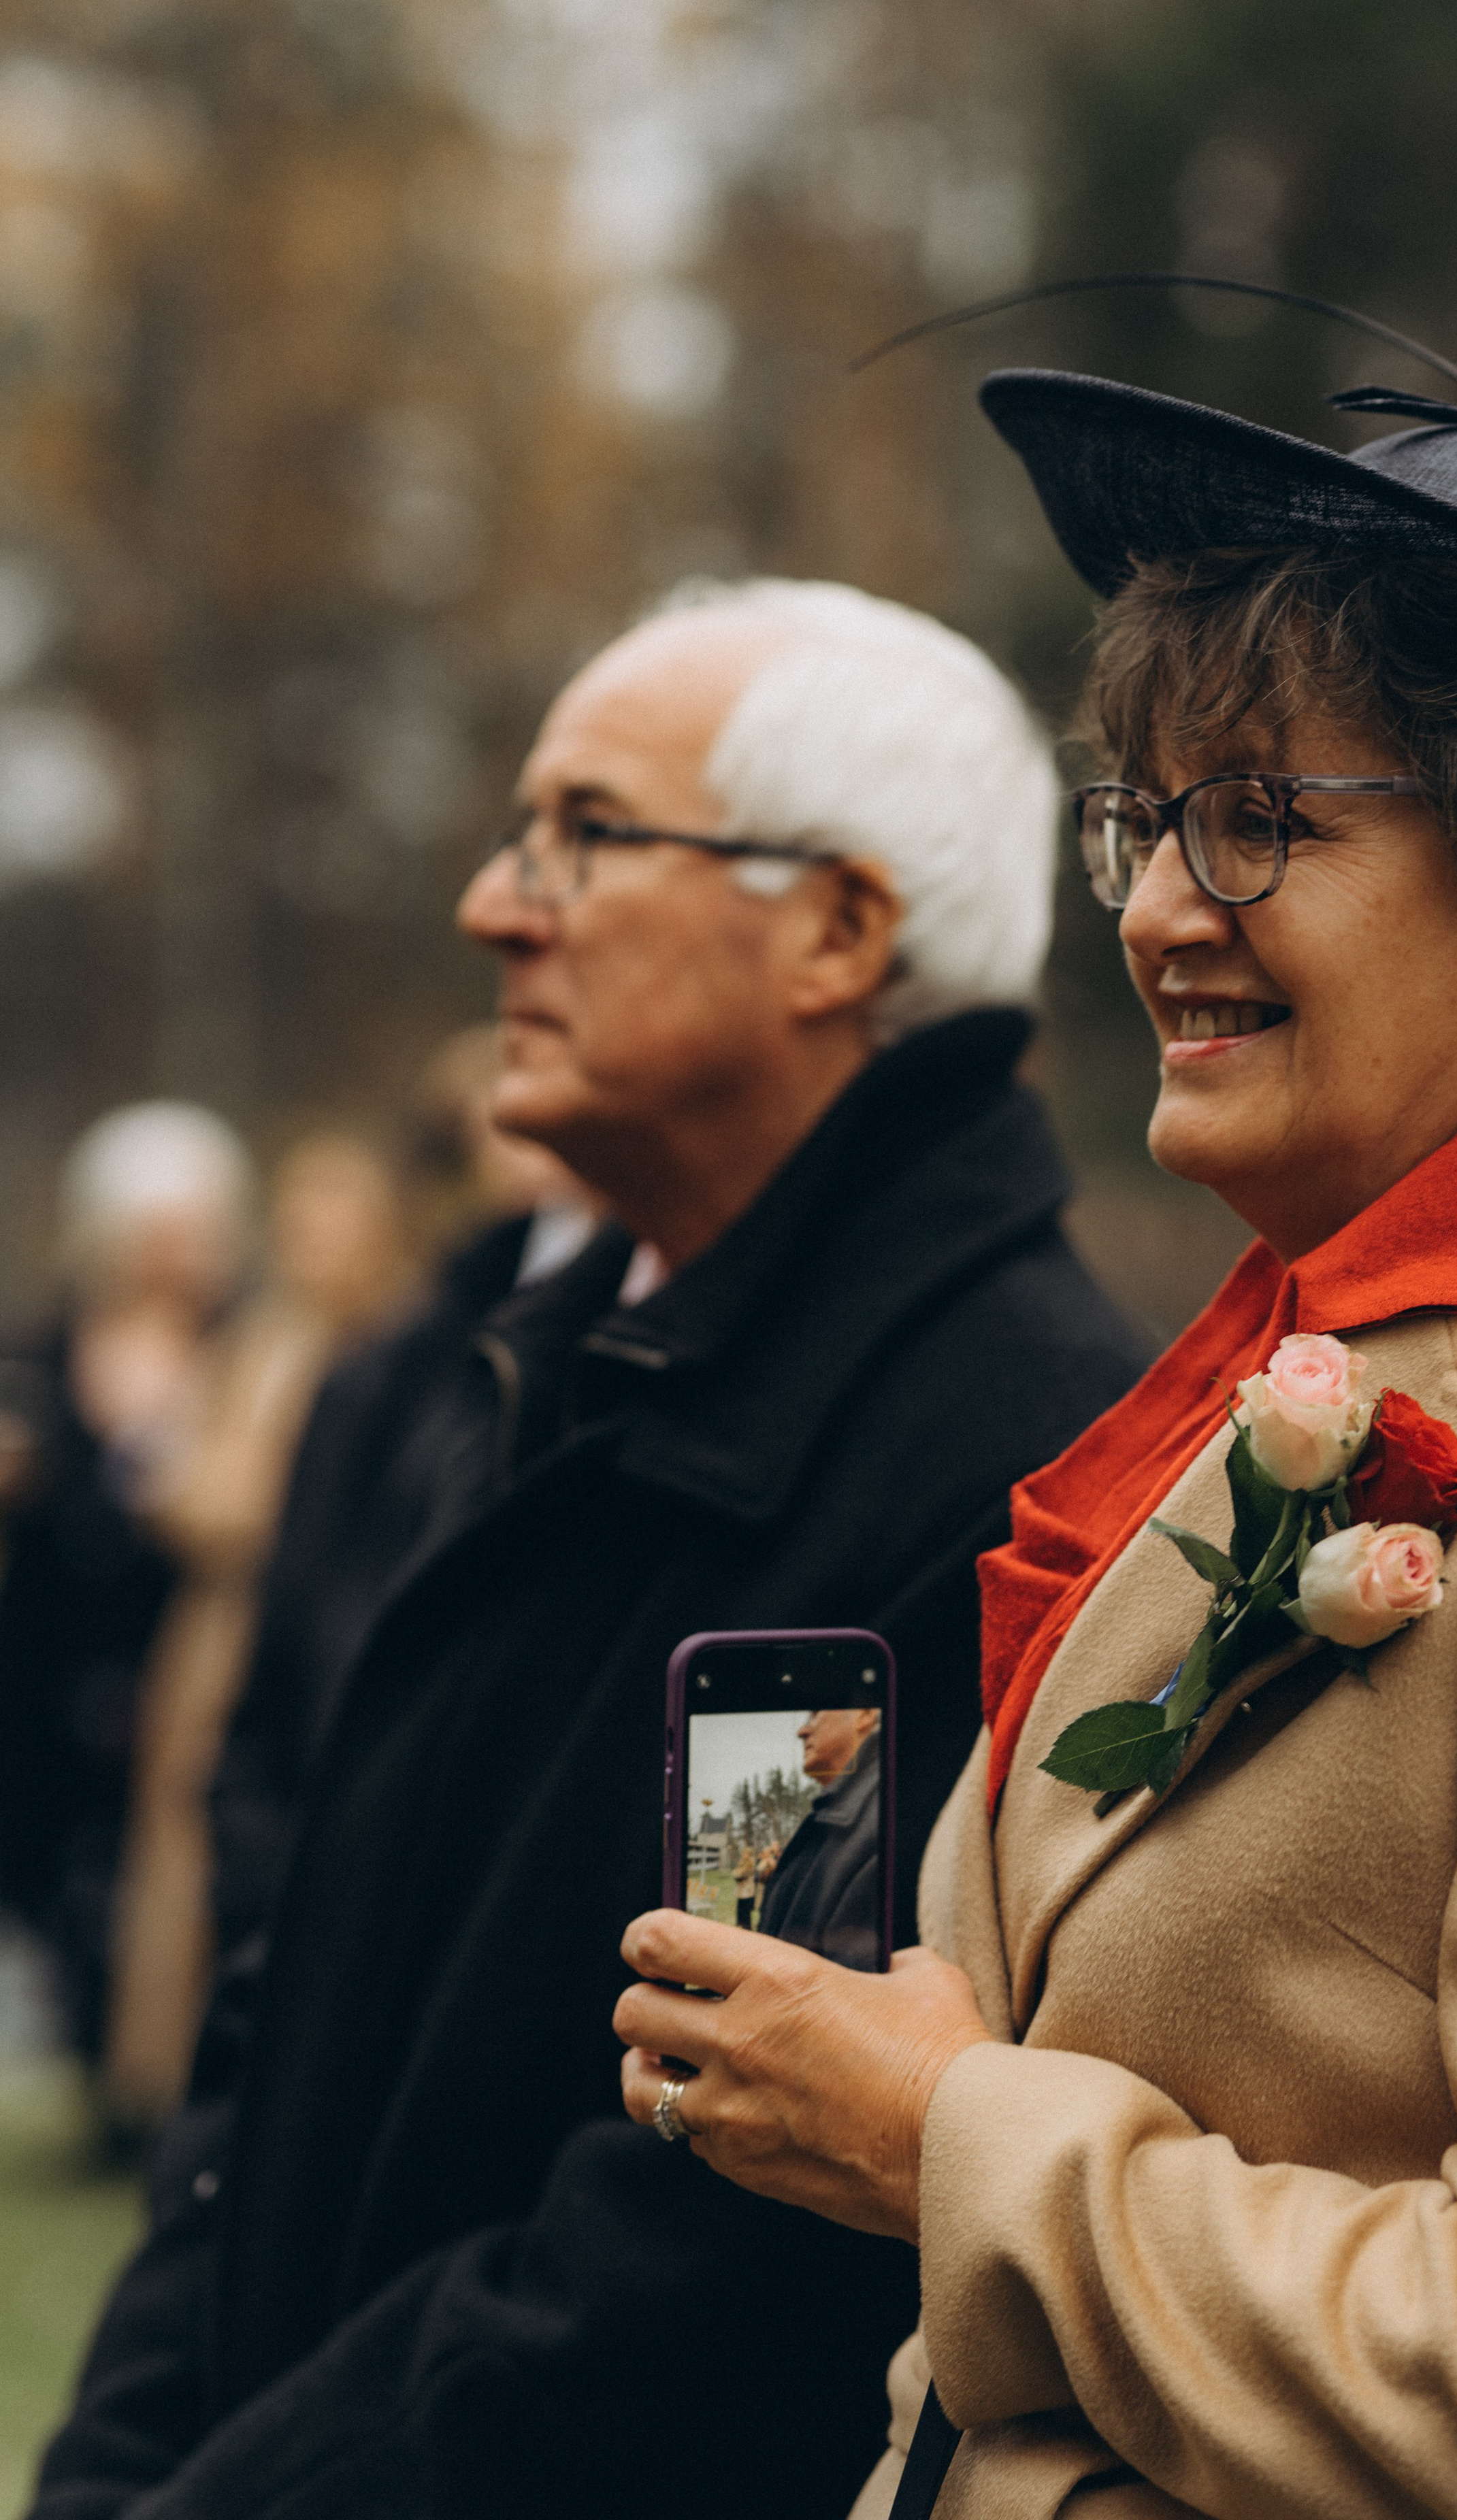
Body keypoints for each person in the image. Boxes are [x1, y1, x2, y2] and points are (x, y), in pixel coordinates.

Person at [615, 384, 1457, 2517]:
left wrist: (956, 2145)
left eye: (1262, 820)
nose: (1153, 911)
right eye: (1138, 820)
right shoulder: (1299, 1370)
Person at [33, 578, 1147, 2520]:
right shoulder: (563, 1361)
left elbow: (711, 2227)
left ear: (838, 929)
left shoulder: (987, 1451)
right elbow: (276, 2016)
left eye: (589, 833)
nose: (494, 902)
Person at [208, 1033, 600, 1953]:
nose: (523, 1156)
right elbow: (289, 1666)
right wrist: (276, 1915)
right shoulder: (385, 1375)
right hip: (346, 1891)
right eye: (494, 1134)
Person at [102, 1133, 416, 2134]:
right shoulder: (261, 1339)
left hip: (312, 1624)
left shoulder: (394, 1351)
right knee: (183, 1852)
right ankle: (161, 2077)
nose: (310, 1244)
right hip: (213, 1632)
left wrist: (202, 1494)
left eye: (332, 1223)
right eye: (297, 1224)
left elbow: (265, 1501)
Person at [0, 1103, 255, 2091]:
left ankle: (152, 2063)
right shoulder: (45, 1344)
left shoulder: (248, 1348)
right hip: (55, 1640)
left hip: (180, 1644)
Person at [757, 1708, 882, 1968]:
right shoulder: (844, 1815)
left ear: (865, 1714)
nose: (802, 1731)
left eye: (815, 1714)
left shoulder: (880, 1815)